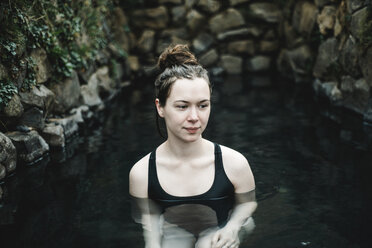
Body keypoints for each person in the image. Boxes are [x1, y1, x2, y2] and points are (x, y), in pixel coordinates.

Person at [129, 44, 257, 248]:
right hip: (174, 230)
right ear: (160, 107)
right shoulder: (142, 173)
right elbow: (149, 220)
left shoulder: (234, 163)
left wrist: (232, 228)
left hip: (222, 227)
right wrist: (152, 244)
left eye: (203, 105)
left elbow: (248, 203)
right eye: (182, 106)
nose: (194, 117)